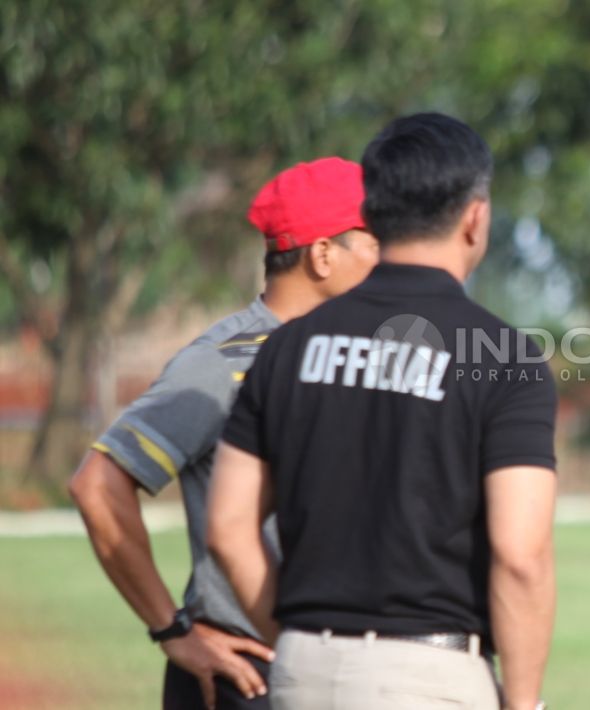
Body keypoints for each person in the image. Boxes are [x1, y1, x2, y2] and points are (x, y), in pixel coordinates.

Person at [207, 112, 557, 710]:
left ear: (372, 212)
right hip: (430, 675)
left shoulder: (287, 345)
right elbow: (520, 556)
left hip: (300, 669)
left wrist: (291, 637)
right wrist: (523, 704)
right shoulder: (504, 356)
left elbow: (228, 528)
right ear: (475, 218)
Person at [69, 157, 379, 710]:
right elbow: (98, 485)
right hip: (250, 679)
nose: (391, 257)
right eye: (375, 239)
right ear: (324, 253)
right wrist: (174, 631)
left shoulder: (352, 354)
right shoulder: (225, 363)